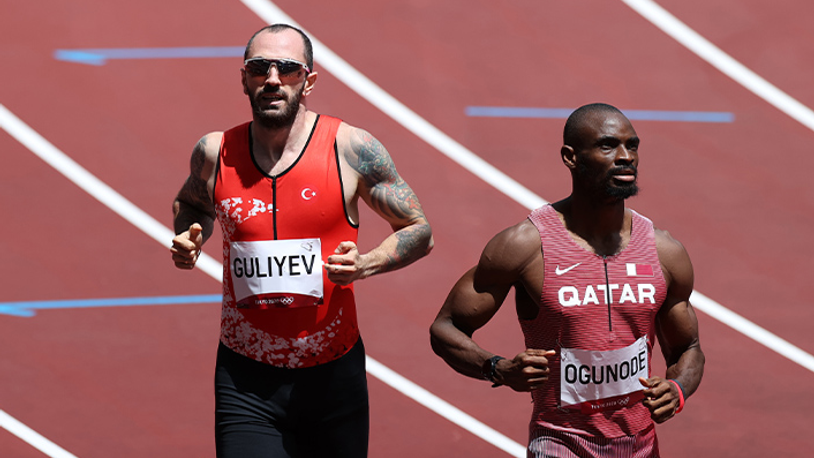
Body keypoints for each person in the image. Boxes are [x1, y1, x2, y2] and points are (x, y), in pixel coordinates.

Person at [170, 24, 433, 458]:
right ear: (244, 79)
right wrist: (188, 235)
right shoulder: (215, 152)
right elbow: (192, 204)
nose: (273, 79)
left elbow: (419, 230)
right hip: (246, 378)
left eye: (288, 69)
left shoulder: (350, 148)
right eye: (260, 68)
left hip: (333, 375)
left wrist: (368, 263)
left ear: (308, 81)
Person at [429, 103, 704, 457]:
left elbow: (688, 348)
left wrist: (678, 389)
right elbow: (446, 327)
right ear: (571, 157)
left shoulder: (663, 251)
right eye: (608, 146)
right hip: (560, 443)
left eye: (632, 146)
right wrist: (498, 369)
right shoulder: (526, 246)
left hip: (640, 446)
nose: (626, 157)